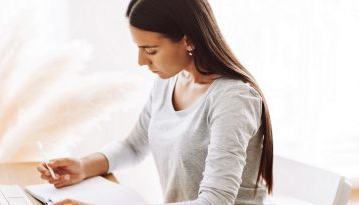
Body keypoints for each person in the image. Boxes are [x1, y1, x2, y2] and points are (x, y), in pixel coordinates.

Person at [37, 0, 274, 204]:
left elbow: (214, 202)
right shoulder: (168, 82)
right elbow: (134, 146)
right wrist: (83, 166)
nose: (141, 61)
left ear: (188, 40)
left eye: (150, 50)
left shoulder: (233, 99)